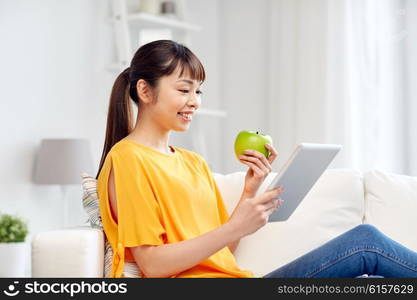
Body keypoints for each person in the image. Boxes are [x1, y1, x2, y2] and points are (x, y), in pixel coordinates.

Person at [96, 40, 417, 278]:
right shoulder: (128, 159)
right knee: (365, 243)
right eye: (184, 90)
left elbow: (221, 251)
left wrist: (251, 189)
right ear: (145, 91)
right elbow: (152, 265)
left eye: (199, 92)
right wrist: (235, 226)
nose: (194, 102)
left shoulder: (192, 162)